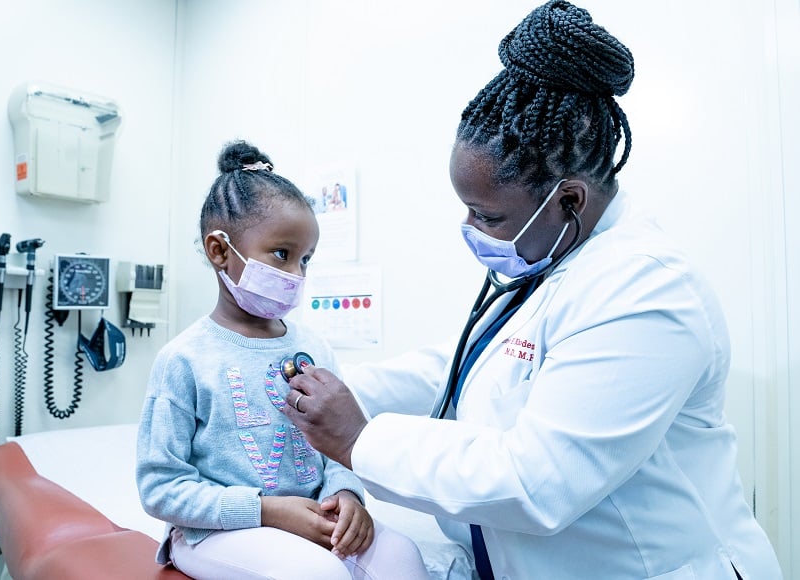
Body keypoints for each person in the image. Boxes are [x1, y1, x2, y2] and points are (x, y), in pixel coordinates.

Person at [281, 2, 784, 579]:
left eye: (487, 214)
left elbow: (538, 482)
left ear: (569, 200)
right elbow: (460, 369)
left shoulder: (648, 291)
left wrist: (359, 438)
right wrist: (331, 387)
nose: (471, 230)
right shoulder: (553, 265)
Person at [136, 140, 430, 580]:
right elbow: (160, 487)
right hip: (212, 530)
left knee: (403, 557)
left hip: (311, 515)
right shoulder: (184, 360)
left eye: (305, 260)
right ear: (220, 251)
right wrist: (267, 511)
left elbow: (338, 444)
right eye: (282, 254)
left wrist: (347, 495)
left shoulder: (313, 348)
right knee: (318, 574)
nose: (296, 275)